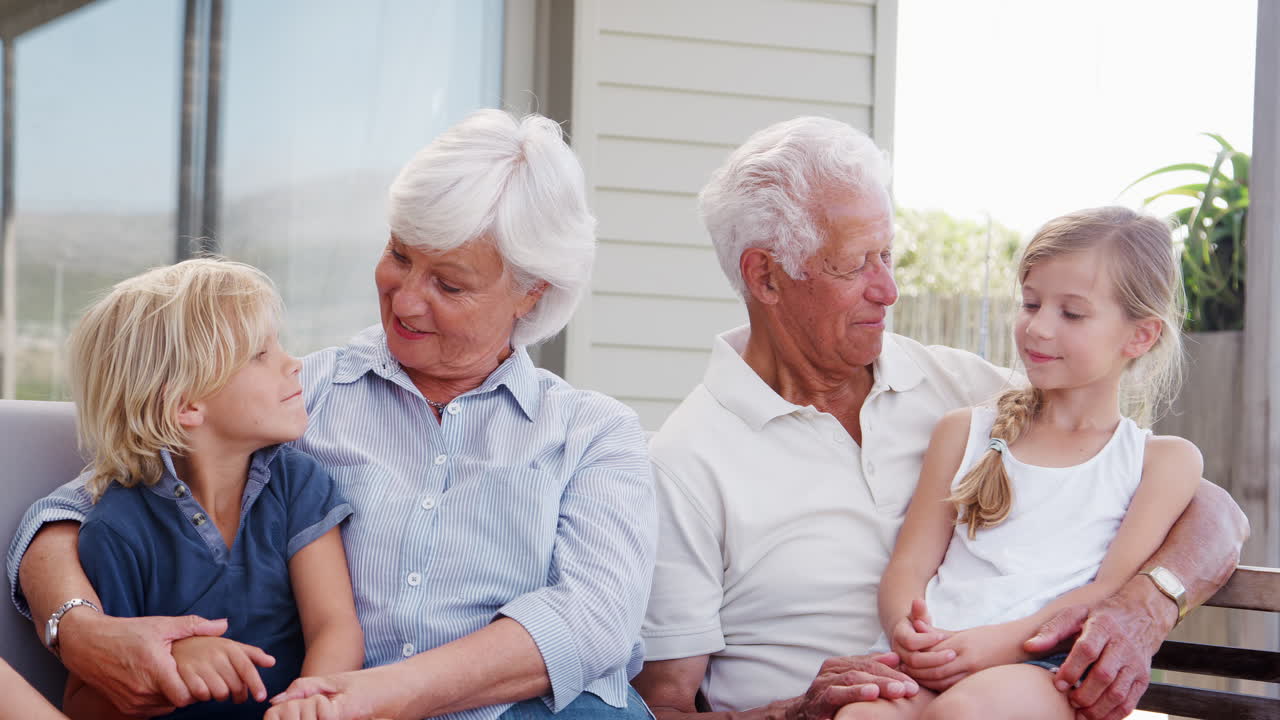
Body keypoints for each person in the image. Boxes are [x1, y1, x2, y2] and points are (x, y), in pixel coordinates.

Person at [8, 110, 656, 720]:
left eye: (449, 284)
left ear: (531, 292)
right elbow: (77, 508)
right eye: (400, 255)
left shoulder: (592, 434)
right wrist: (80, 629)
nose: (406, 300)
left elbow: (593, 618)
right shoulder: (294, 397)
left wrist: (375, 696)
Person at [632, 117, 1249, 720]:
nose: (889, 289)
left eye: (887, 255)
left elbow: (1205, 508)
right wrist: (794, 713)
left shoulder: (965, 388)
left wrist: (1147, 602)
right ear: (766, 276)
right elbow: (663, 708)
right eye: (856, 264)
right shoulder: (684, 464)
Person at [844, 207, 1201, 720]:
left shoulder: (1160, 461)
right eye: (1031, 304)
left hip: (1044, 667)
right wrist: (907, 631)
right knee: (861, 715)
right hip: (933, 652)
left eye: (1071, 314)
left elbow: (1105, 592)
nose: (1038, 327)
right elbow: (910, 565)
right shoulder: (962, 433)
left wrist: (996, 645)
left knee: (964, 713)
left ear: (1139, 336)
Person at [57, 259, 364, 720]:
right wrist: (167, 665)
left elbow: (334, 627)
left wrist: (308, 705)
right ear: (186, 404)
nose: (294, 363)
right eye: (260, 354)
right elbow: (81, 704)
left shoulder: (298, 483)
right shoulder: (116, 530)